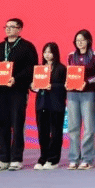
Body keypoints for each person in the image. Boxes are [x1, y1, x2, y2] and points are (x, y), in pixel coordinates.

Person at [0, 17, 38, 171]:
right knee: (1, 123)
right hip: (1, 91)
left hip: (18, 90)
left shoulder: (27, 46)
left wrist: (15, 79)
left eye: (12, 26)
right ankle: (2, 157)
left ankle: (16, 158)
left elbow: (31, 68)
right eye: (6, 26)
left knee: (17, 123)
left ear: (20, 29)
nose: (8, 29)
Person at [65, 29, 95, 170]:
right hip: (72, 94)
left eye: (82, 40)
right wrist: (67, 83)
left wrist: (86, 82)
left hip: (88, 94)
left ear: (88, 41)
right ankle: (74, 158)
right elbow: (69, 74)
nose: (79, 43)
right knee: (73, 127)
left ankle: (87, 158)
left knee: (89, 128)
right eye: (77, 40)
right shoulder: (71, 56)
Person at [31, 41, 67, 169]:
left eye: (50, 52)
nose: (47, 55)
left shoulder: (61, 68)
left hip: (56, 104)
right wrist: (32, 86)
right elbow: (34, 85)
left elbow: (65, 86)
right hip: (42, 103)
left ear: (55, 53)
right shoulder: (39, 69)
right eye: (45, 52)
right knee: (42, 132)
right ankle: (43, 157)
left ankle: (53, 159)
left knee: (56, 132)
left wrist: (52, 86)